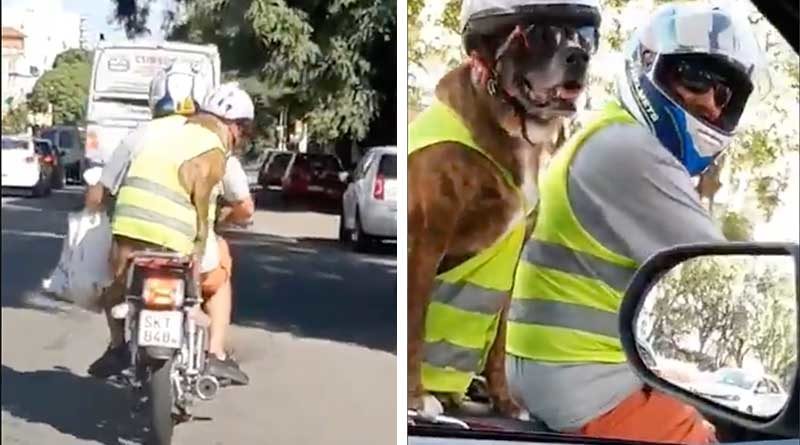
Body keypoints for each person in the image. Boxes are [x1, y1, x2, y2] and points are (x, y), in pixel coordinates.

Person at [504, 3, 764, 443]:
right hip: (587, 386)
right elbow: (727, 272)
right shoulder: (630, 151)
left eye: (725, 95)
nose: (708, 102)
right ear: (648, 66)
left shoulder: (604, 134)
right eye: (695, 76)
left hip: (570, 373)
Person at [86, 69, 255, 385]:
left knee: (115, 284)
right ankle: (215, 353)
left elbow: (99, 193)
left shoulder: (141, 134)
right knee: (219, 276)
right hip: (181, 241)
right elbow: (243, 207)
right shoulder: (214, 146)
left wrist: (95, 210)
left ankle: (117, 345)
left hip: (129, 235)